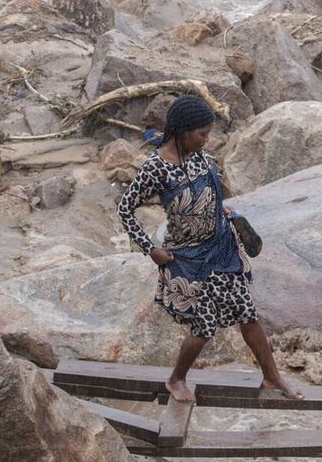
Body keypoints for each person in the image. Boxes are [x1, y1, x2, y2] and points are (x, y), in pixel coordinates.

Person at [117, 95, 304, 403]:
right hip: (190, 259)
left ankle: (272, 376)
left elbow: (212, 196)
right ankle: (176, 379)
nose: (206, 139)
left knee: (248, 314)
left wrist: (229, 216)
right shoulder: (156, 169)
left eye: (208, 133)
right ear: (181, 130)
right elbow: (125, 208)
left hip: (222, 249)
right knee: (204, 327)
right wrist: (150, 249)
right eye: (201, 134)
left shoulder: (203, 158)